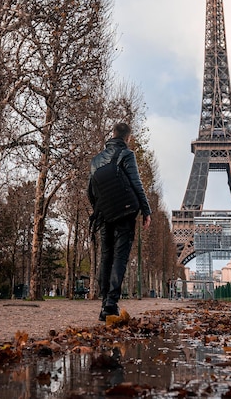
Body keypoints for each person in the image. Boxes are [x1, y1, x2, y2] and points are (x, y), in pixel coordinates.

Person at [88, 122, 152, 321]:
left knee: (106, 257)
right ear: (128, 138)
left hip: (104, 214)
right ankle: (111, 303)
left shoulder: (96, 160)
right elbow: (136, 184)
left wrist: (99, 211)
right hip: (124, 214)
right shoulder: (127, 154)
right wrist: (146, 211)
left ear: (112, 135)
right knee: (120, 257)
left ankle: (103, 305)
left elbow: (91, 191)